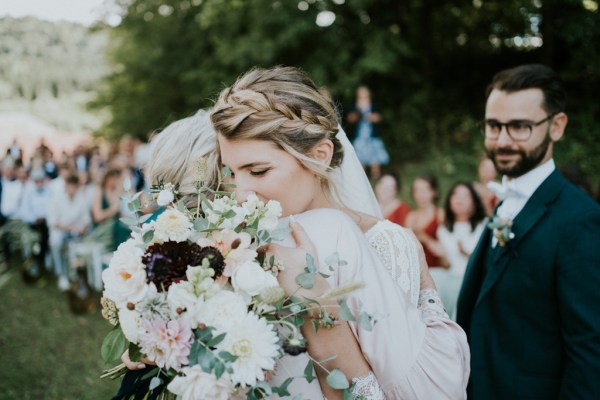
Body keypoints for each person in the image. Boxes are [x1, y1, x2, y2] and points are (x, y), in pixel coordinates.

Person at [212, 66, 469, 399]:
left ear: (319, 155)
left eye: (258, 170)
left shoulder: (385, 244)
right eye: (231, 172)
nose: (240, 193)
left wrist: (320, 308)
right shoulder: (237, 248)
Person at [456, 64, 600, 399]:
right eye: (494, 126)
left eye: (520, 126)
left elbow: (590, 354)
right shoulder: (504, 203)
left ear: (556, 127)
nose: (503, 140)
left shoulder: (580, 220)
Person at [434, 182, 485, 319]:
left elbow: (484, 261)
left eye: (465, 196)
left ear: (474, 203)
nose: (459, 199)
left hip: (472, 281)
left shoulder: (484, 226)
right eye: (455, 195)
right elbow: (447, 265)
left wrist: (465, 252)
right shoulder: (443, 229)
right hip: (450, 279)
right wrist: (443, 258)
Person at [345, 86, 389, 180]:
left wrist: (366, 116)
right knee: (360, 162)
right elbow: (350, 118)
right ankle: (362, 181)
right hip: (360, 137)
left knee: (375, 161)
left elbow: (378, 118)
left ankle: (375, 181)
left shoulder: (374, 105)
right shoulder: (354, 105)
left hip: (372, 137)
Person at [405, 174, 447, 268]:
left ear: (434, 192)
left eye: (424, 191)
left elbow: (446, 248)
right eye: (417, 191)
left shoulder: (440, 214)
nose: (420, 195)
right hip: (417, 268)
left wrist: (423, 237)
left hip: (438, 268)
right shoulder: (411, 217)